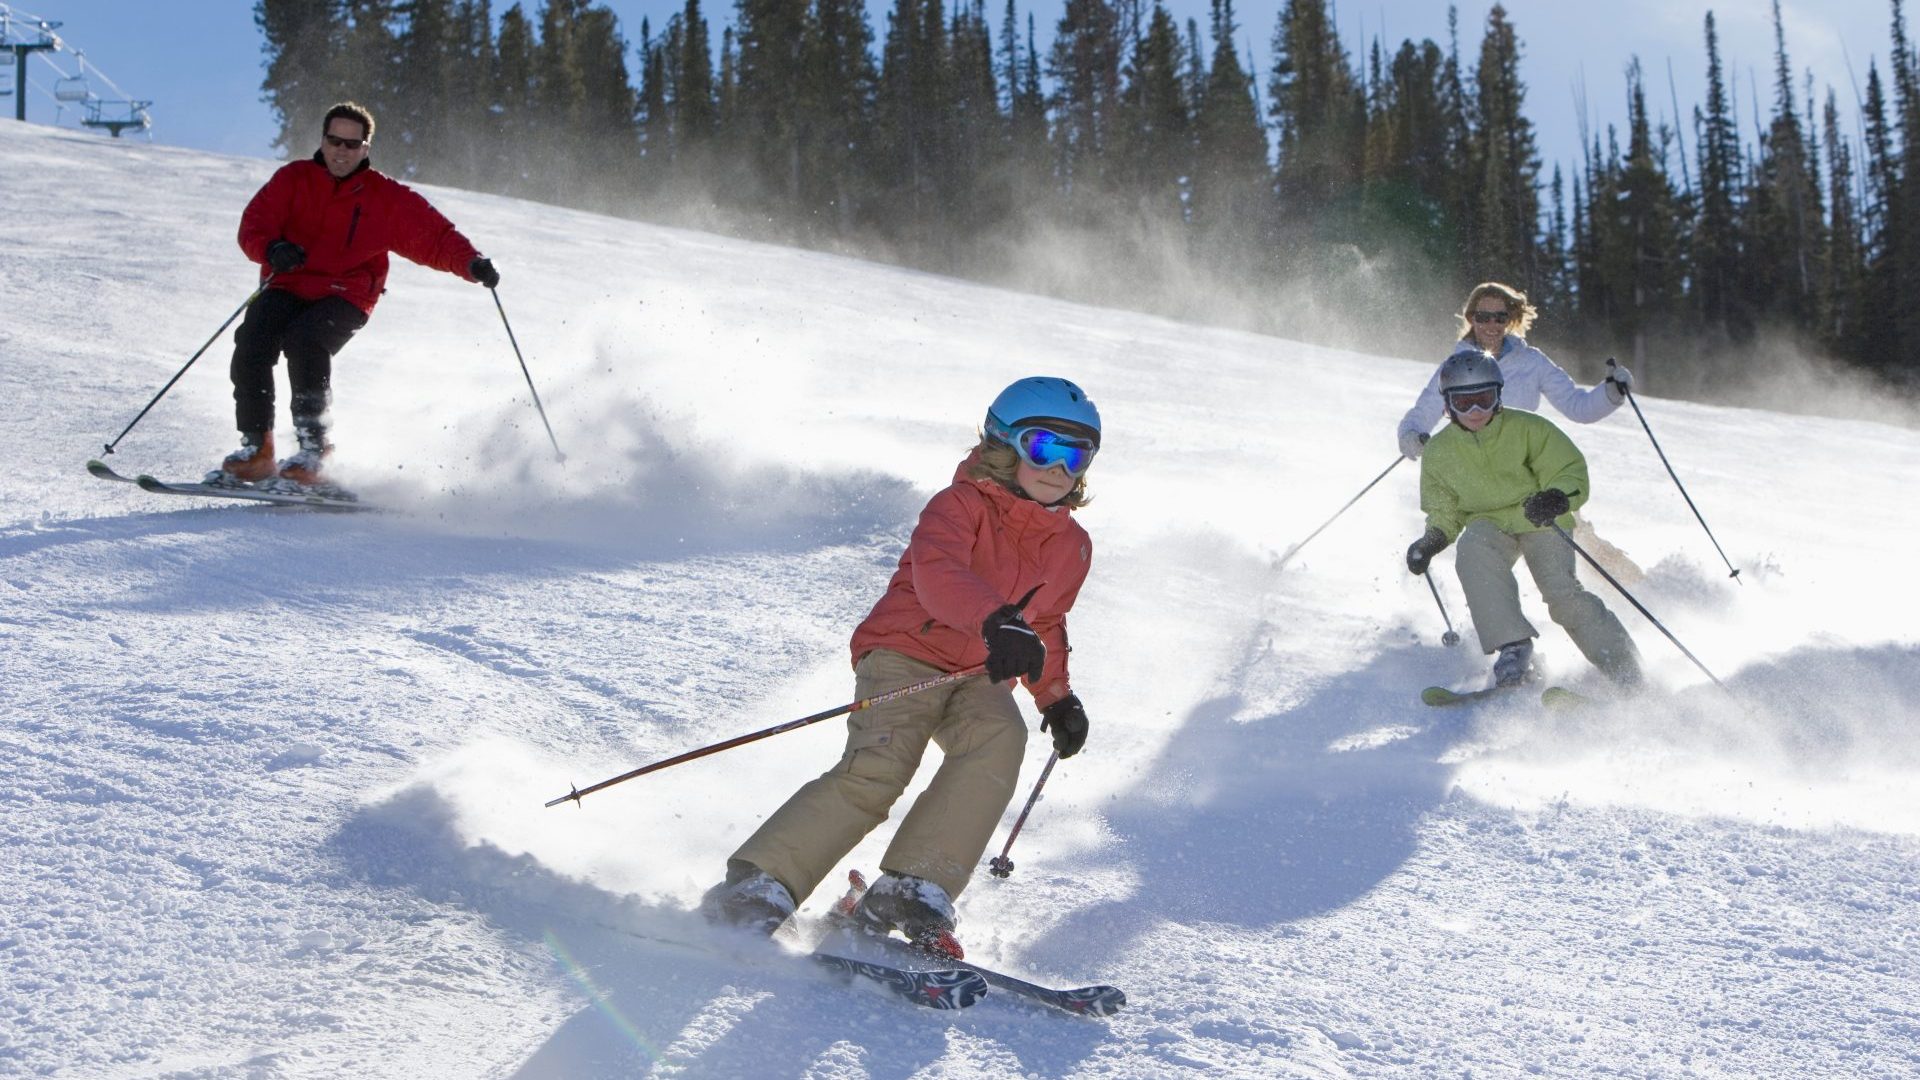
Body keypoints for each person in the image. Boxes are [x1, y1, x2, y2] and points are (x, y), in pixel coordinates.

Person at [700, 377, 1102, 956]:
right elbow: (938, 578)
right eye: (1045, 448)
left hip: (979, 673)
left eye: (1076, 454)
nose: (1060, 469)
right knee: (882, 766)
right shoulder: (958, 506)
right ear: (1004, 444)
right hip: (906, 651)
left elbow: (1045, 623)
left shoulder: (1072, 544)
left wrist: (1056, 697)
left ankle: (914, 885)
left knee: (998, 737)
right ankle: (762, 883)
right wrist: (994, 620)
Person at [214, 101, 500, 488]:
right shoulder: (292, 179)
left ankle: (314, 452)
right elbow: (254, 225)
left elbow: (433, 236)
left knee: (307, 340)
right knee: (252, 338)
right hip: (289, 282)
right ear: (322, 140)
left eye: (352, 144)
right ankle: (257, 450)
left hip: (347, 293)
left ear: (365, 148)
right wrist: (272, 249)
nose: (342, 151)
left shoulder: (385, 197)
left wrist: (472, 263)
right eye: (335, 141)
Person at [1404, 350, 1643, 691]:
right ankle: (1514, 648)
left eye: (1483, 400)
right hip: (1489, 523)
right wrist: (1432, 540)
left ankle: (1624, 668)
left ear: (1499, 395)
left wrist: (1557, 497)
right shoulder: (1441, 452)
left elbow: (1569, 470)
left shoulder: (1528, 429)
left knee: (1563, 596)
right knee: (1473, 548)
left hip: (1541, 518)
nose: (1475, 412)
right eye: (1464, 402)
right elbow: (1445, 508)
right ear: (1447, 405)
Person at [1397, 281, 1644, 583]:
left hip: (1529, 472)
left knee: (1579, 539)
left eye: (1500, 317)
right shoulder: (1456, 365)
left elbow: (1578, 406)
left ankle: (1640, 590)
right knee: (1482, 547)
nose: (1491, 325)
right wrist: (1412, 433)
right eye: (1483, 316)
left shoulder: (1531, 361)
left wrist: (1611, 392)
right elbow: (1425, 410)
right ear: (1471, 318)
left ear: (1510, 319)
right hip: (1480, 474)